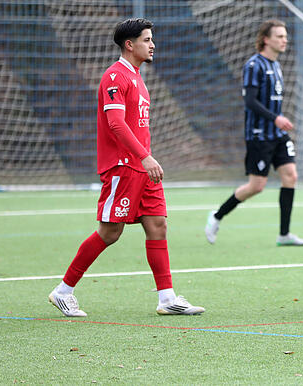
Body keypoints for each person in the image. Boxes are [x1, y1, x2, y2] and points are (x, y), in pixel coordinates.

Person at [48, 18, 204, 317]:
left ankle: (167, 298)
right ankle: (64, 290)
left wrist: (146, 160)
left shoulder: (137, 77)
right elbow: (115, 123)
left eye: (152, 38)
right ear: (129, 44)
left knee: (158, 226)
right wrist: (145, 157)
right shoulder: (115, 76)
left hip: (143, 168)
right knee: (110, 232)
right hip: (124, 166)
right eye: (147, 39)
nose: (153, 44)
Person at [204, 19, 303, 245]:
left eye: (285, 36)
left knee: (291, 176)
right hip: (258, 135)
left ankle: (284, 234)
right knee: (256, 186)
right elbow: (250, 101)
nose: (284, 40)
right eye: (280, 36)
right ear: (266, 39)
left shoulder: (276, 66)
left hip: (277, 135)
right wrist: (276, 118)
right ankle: (217, 215)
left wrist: (278, 122)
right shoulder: (254, 65)